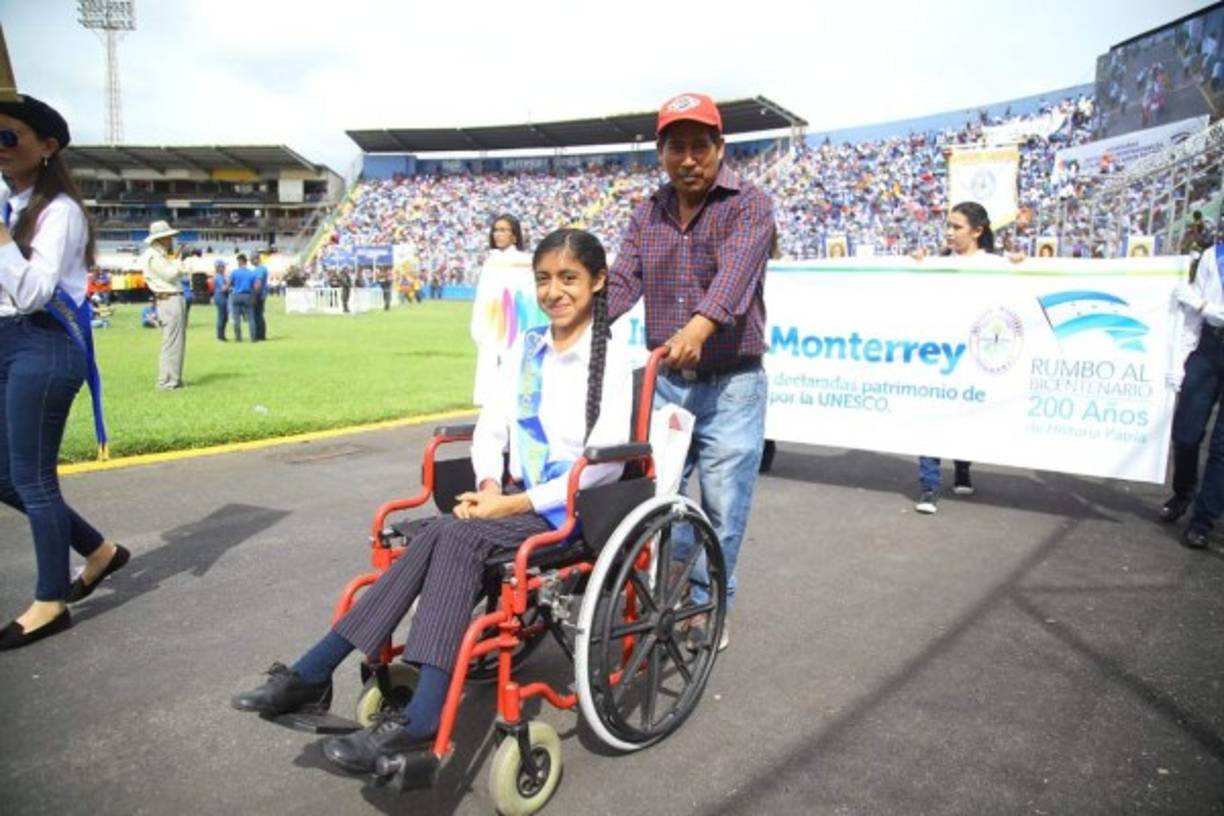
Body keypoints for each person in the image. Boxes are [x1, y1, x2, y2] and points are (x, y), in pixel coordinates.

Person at [231, 228, 633, 773]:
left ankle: (357, 690)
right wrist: (489, 486)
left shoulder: (615, 359)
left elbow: (604, 466)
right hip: (513, 500)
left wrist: (510, 506)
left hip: (573, 511)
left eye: (569, 278)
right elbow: (492, 427)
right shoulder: (528, 346)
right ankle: (347, 686)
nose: (553, 291)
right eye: (543, 279)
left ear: (599, 281)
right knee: (448, 530)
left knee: (453, 535)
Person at [607, 92, 774, 652]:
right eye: (675, 148)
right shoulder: (646, 213)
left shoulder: (750, 205)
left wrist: (697, 331)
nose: (688, 159)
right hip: (668, 386)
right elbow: (623, 281)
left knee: (723, 508)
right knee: (662, 500)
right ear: (660, 153)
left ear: (720, 147)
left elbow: (734, 278)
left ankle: (709, 605)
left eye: (699, 146)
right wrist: (579, 319)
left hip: (733, 384)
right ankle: (672, 599)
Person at [0, 93, 126, 651]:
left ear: (47, 146)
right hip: (7, 342)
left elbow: (31, 292)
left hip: (44, 344)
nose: (0, 148)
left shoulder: (60, 212)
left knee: (33, 477)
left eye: (8, 137)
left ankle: (50, 601)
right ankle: (98, 550)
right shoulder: (11, 203)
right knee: (5, 476)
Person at [912, 201, 1000, 514]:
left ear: (977, 231)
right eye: (948, 226)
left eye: (957, 227)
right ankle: (929, 486)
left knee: (965, 415)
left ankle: (962, 469)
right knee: (931, 416)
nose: (949, 232)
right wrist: (916, 267)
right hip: (938, 355)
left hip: (975, 357)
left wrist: (1021, 264)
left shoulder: (995, 265)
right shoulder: (937, 264)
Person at [1164, 231, 1224, 548]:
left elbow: (1198, 304)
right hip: (1209, 347)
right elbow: (1192, 317)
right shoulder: (1213, 256)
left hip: (1213, 325)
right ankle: (1183, 492)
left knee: (1222, 446)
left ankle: (1203, 518)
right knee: (1185, 433)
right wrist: (1180, 360)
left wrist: (1202, 305)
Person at [470, 213, 545, 406]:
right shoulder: (490, 262)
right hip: (491, 324)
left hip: (517, 323)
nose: (498, 234)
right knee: (491, 374)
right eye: (496, 230)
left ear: (514, 235)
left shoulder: (525, 262)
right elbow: (483, 297)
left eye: (503, 230)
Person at [139, 219, 186, 390]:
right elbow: (170, 274)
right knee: (172, 342)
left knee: (175, 341)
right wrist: (179, 261)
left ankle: (172, 378)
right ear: (160, 239)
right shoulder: (153, 256)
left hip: (171, 298)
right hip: (169, 299)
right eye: (168, 237)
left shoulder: (160, 255)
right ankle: (167, 381)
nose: (171, 240)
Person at [227, 253, 256, 342]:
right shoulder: (251, 273)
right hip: (247, 295)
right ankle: (253, 337)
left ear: (240, 261)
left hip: (236, 295)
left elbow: (229, 283)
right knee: (251, 317)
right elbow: (254, 286)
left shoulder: (234, 272)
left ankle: (238, 338)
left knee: (236, 319)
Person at [250, 250, 268, 341]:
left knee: (257, 315)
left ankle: (260, 335)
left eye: (251, 259)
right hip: (259, 294)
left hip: (258, 294)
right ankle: (260, 334)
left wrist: (254, 294)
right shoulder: (258, 269)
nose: (250, 261)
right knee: (258, 315)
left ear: (256, 259)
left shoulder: (260, 269)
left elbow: (258, 282)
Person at [212, 259, 229, 341]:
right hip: (220, 296)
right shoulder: (218, 277)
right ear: (219, 267)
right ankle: (220, 336)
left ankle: (222, 335)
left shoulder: (222, 276)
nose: (225, 268)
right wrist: (230, 283)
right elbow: (223, 288)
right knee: (222, 316)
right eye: (223, 266)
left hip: (223, 297)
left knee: (224, 316)